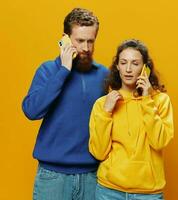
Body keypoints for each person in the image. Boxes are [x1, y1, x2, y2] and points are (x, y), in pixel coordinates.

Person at [22, 8, 109, 200]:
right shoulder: (48, 70)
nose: (86, 48)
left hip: (92, 176)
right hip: (52, 177)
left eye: (91, 41)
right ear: (66, 39)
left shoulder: (104, 75)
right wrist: (63, 70)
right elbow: (31, 111)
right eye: (80, 41)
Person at [89, 39, 174, 200]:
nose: (128, 69)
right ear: (117, 67)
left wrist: (147, 100)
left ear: (145, 68)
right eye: (123, 63)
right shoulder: (103, 104)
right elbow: (99, 152)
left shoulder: (160, 101)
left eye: (135, 63)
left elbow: (159, 141)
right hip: (108, 191)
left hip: (148, 194)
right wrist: (106, 112)